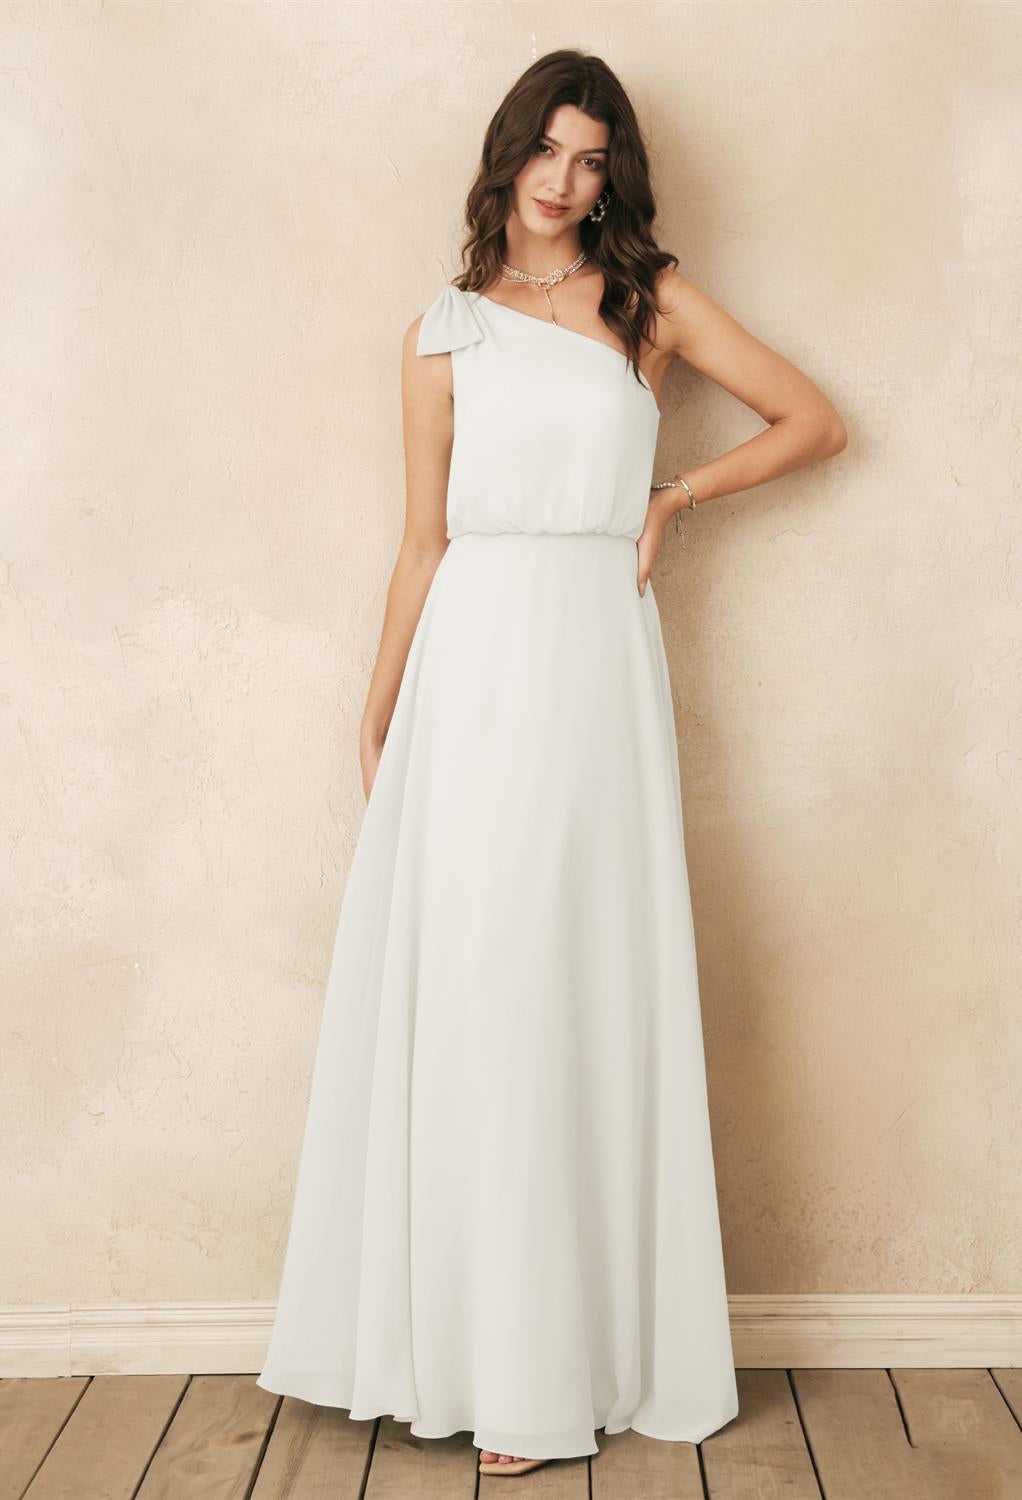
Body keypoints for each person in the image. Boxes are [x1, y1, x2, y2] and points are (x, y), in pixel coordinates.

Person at [256, 47, 847, 1481]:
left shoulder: (644, 302)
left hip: (592, 664)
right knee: (476, 983)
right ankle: (467, 1350)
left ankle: (562, 1359)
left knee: (570, 979)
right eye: (546, 148)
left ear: (609, 177)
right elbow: (421, 541)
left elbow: (813, 421)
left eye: (591, 159)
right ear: (506, 150)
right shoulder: (440, 331)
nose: (563, 179)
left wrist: (676, 494)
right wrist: (377, 707)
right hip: (472, 668)